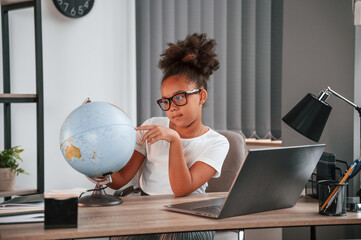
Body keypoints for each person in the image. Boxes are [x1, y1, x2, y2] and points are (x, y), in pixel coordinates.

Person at [110, 33, 229, 240]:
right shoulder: (151, 126)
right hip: (147, 211)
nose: (172, 108)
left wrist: (174, 140)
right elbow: (119, 181)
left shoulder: (217, 143)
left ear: (201, 96)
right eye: (166, 101)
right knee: (123, 235)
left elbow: (182, 189)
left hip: (191, 214)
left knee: (175, 237)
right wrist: (95, 169)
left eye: (179, 98)